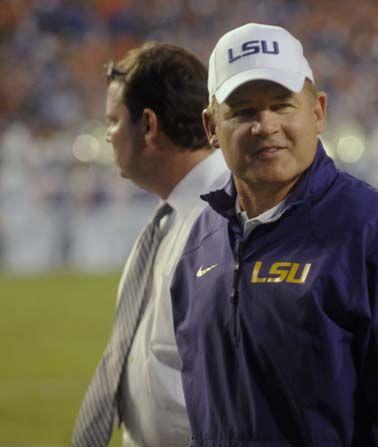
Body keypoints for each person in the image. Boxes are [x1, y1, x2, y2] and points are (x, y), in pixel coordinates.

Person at [170, 23, 378, 447]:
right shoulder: (201, 242)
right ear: (210, 128)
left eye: (282, 105)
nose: (265, 125)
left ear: (318, 112)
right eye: (242, 111)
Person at [72, 42, 229, 447]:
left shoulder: (226, 217)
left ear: (148, 125)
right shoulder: (175, 213)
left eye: (112, 121)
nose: (107, 137)